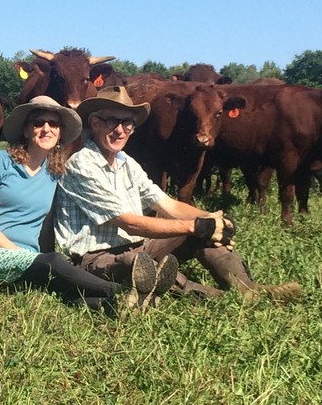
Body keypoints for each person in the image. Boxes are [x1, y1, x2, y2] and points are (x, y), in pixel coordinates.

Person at [54, 86, 302, 302]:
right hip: (96, 258)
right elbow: (129, 223)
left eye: (127, 123)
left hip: (138, 245)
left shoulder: (125, 161)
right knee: (138, 265)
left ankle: (246, 288)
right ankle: (216, 299)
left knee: (205, 231)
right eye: (112, 121)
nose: (120, 130)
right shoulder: (82, 164)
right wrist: (195, 226)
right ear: (95, 123)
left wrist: (212, 219)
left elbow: (166, 204)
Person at [0, 95, 176, 313]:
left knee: (65, 292)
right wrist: (23, 255)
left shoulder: (54, 174)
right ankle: (120, 291)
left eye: (54, 124)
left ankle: (119, 306)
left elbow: (47, 226)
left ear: (60, 133)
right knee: (54, 262)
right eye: (38, 122)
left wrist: (39, 258)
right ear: (26, 130)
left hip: (32, 263)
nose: (46, 128)